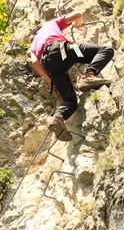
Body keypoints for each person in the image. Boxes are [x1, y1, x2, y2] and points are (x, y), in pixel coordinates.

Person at [28, 11, 113, 141]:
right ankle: (88, 76)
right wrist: (78, 24)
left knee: (70, 101)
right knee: (105, 50)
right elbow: (78, 14)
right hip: (61, 49)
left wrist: (51, 82)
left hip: (50, 65)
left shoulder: (33, 45)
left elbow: (34, 62)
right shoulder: (50, 25)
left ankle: (57, 119)